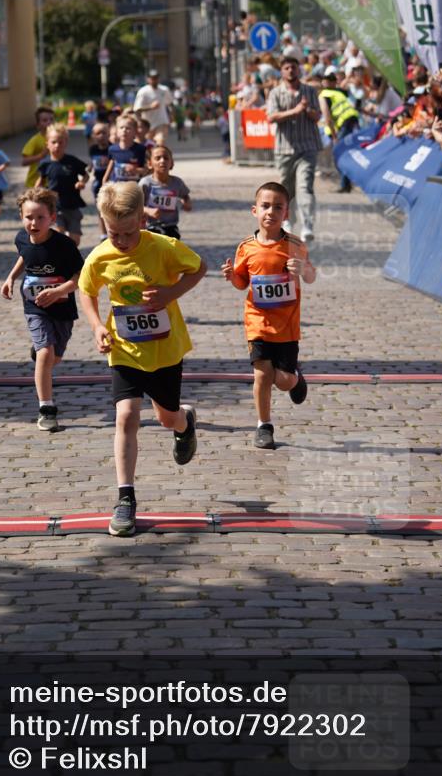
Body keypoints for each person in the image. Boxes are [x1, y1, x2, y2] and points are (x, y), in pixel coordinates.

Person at [78, 182, 206, 537]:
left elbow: (199, 267)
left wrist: (169, 294)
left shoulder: (163, 247)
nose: (120, 240)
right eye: (112, 232)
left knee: (166, 418)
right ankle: (125, 498)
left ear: (142, 217)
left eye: (128, 232)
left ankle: (184, 423)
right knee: (126, 415)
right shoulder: (100, 256)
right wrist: (95, 327)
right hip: (124, 348)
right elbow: (86, 291)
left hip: (164, 350)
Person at [222, 182, 316, 451]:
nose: (270, 212)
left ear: (286, 213)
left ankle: (295, 379)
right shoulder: (246, 248)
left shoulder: (295, 245)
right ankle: (264, 425)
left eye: (278, 207)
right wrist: (232, 277)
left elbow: (312, 276)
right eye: (265, 206)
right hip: (257, 322)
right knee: (262, 374)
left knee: (283, 380)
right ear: (254, 210)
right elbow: (242, 281)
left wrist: (303, 269)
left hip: (287, 326)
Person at [1, 188, 84, 432]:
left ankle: (40, 354)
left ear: (52, 218)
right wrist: (10, 278)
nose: (34, 223)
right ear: (21, 217)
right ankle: (46, 409)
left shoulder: (64, 246)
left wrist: (59, 292)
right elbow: (24, 257)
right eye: (28, 217)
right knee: (46, 354)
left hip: (62, 309)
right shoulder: (21, 238)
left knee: (52, 358)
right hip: (34, 307)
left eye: (40, 218)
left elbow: (80, 277)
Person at [265, 56, 322, 242]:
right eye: (287, 68)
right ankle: (287, 220)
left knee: (305, 185)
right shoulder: (275, 93)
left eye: (294, 67)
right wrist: (295, 111)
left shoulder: (309, 91)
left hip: (307, 146)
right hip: (285, 148)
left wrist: (307, 110)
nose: (291, 70)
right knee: (285, 189)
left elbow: (317, 116)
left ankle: (308, 224)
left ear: (299, 70)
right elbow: (271, 117)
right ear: (281, 72)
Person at [38, 124, 89, 247]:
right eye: (54, 142)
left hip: (72, 205)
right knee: (58, 234)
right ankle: (61, 260)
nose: (57, 145)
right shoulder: (45, 164)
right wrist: (36, 192)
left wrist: (82, 182)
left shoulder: (72, 161)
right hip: (55, 205)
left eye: (61, 142)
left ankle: (70, 254)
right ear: (47, 144)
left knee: (74, 240)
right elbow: (40, 181)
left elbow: (85, 174)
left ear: (66, 143)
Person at [318, 70, 359, 193]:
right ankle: (346, 183)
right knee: (344, 153)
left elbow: (327, 117)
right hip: (351, 120)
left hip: (344, 123)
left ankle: (345, 184)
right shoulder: (339, 92)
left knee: (339, 154)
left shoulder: (324, 95)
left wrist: (334, 136)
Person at [138, 144, 191, 239]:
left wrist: (187, 203)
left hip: (171, 228)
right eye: (158, 158)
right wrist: (148, 211)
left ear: (172, 163)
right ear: (150, 163)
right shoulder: (145, 183)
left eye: (166, 158)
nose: (162, 161)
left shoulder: (177, 182)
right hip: (151, 228)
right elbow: (135, 206)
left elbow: (185, 196)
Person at [101, 114, 147, 184]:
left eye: (128, 128)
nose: (124, 130)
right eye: (121, 128)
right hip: (117, 186)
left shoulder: (141, 149)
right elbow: (111, 164)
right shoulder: (112, 149)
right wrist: (104, 180)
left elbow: (148, 170)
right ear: (117, 131)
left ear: (135, 131)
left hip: (133, 187)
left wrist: (136, 170)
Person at [88, 121, 111, 241]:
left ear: (109, 134)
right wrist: (89, 167)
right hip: (98, 181)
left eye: (104, 132)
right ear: (93, 135)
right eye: (98, 133)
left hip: (111, 182)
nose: (101, 135)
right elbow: (92, 162)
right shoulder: (93, 149)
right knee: (100, 208)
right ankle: (103, 233)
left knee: (112, 207)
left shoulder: (113, 148)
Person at [21, 106, 54, 189]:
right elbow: (24, 161)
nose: (49, 122)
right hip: (35, 183)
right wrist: (41, 155)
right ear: (38, 125)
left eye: (51, 119)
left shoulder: (57, 139)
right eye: (45, 120)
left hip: (52, 181)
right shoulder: (35, 140)